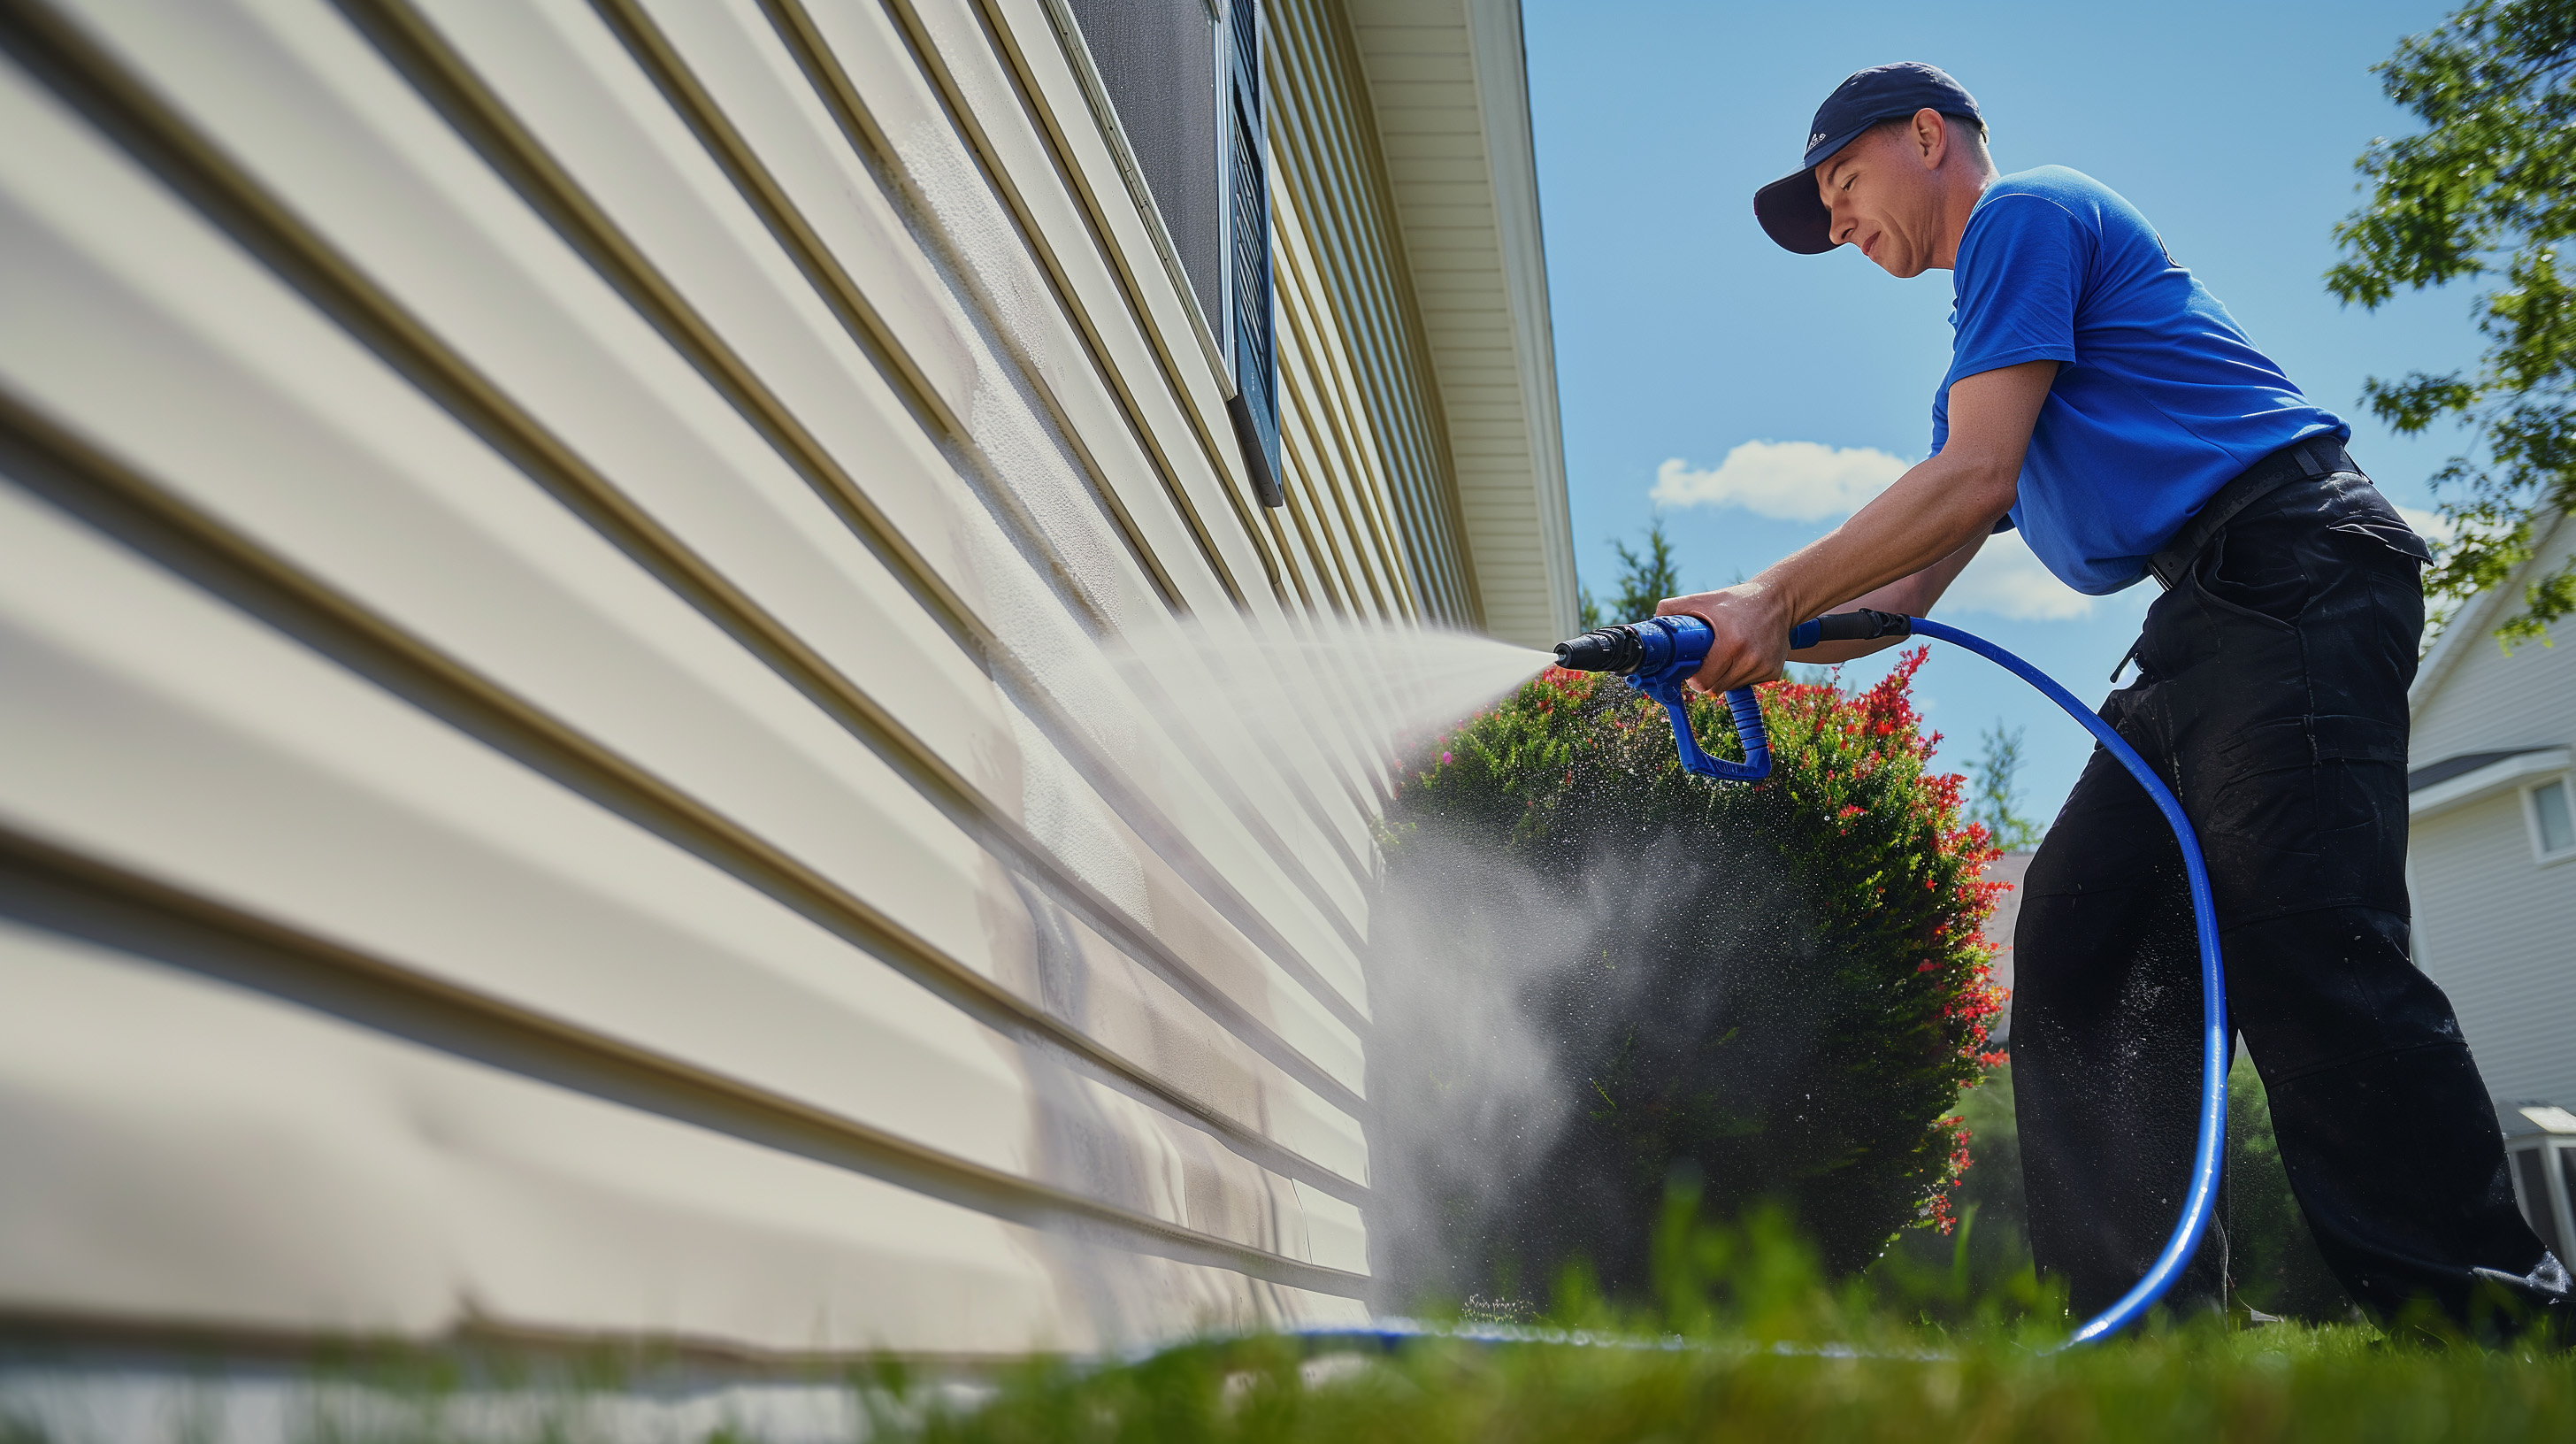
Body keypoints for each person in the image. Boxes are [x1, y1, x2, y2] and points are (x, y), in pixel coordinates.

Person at [1657, 61, 2566, 1334]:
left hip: (2296, 565)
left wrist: (1769, 591)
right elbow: (1899, 597)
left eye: (1844, 184)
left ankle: (2490, 1320)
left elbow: (1975, 483)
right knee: (2081, 934)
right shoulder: (1984, 360)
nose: (1840, 223)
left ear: (1930, 137)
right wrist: (1727, 633)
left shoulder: (2026, 214)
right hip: (2207, 613)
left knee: (2307, 938)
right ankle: (2149, 1330)